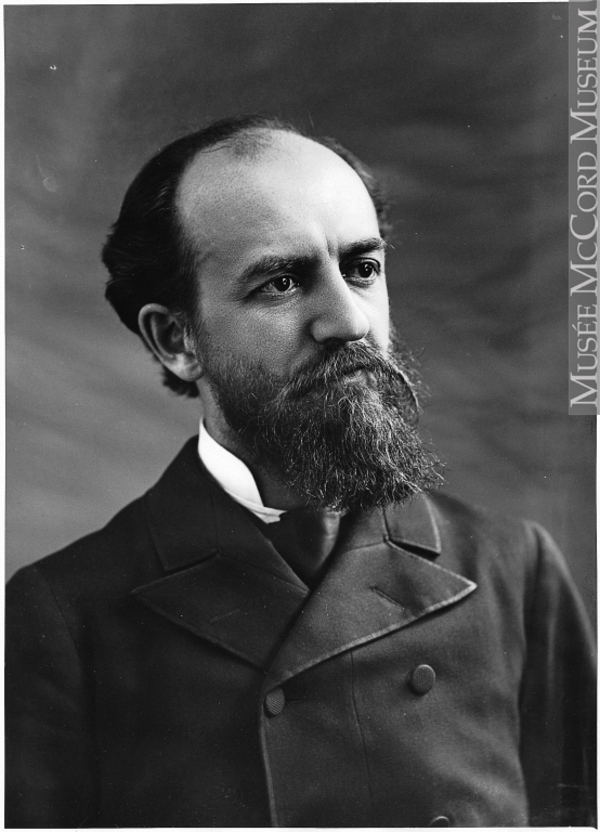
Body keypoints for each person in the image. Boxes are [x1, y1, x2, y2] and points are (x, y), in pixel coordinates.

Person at [6, 115, 596, 828]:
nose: (349, 321)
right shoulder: (63, 618)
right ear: (176, 340)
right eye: (282, 283)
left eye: (363, 269)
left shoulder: (516, 573)